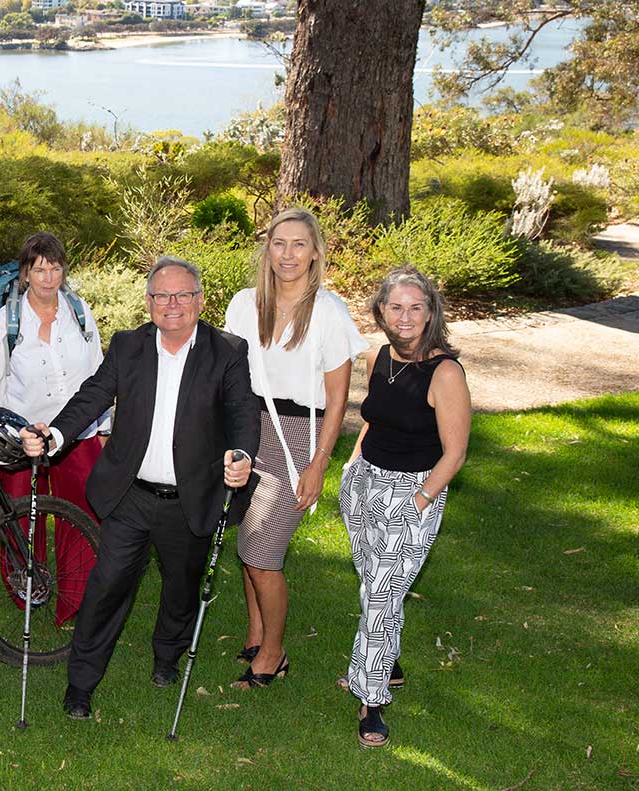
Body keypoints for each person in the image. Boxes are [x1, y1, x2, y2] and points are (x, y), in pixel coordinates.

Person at [22, 256, 259, 721]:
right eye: (161, 296)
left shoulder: (227, 350)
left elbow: (242, 413)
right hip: (131, 495)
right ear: (149, 302)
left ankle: (167, 656)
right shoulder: (129, 345)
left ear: (199, 300)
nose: (172, 305)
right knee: (106, 586)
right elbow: (92, 395)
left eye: (182, 295)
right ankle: (81, 684)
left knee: (181, 588)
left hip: (191, 499)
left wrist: (242, 456)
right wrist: (54, 434)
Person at [223, 208, 368, 689]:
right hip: (246, 428)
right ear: (267, 248)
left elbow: (337, 399)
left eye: (299, 244)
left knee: (262, 550)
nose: (288, 254)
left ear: (315, 252)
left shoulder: (329, 311)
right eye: (279, 243)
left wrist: (318, 464)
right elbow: (229, 378)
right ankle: (256, 631)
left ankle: (273, 653)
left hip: (297, 436)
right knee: (245, 535)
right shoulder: (244, 304)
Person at [339, 265, 469, 748]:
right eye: (396, 307)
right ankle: (385, 664)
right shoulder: (381, 357)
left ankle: (371, 699)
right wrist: (352, 470)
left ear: (431, 313)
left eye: (416, 307)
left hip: (412, 492)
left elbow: (454, 453)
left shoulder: (446, 372)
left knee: (380, 596)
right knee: (373, 585)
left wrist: (417, 502)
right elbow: (372, 420)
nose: (406, 316)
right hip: (364, 482)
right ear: (381, 312)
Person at [0, 232, 107, 624]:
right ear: (26, 273)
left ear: (64, 270)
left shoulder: (79, 311)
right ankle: (27, 593)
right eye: (39, 269)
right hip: (23, 438)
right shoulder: (8, 319)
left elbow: (99, 373)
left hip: (76, 435)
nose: (48, 277)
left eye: (55, 268)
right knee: (19, 517)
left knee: (82, 516)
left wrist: (105, 425)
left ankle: (77, 601)